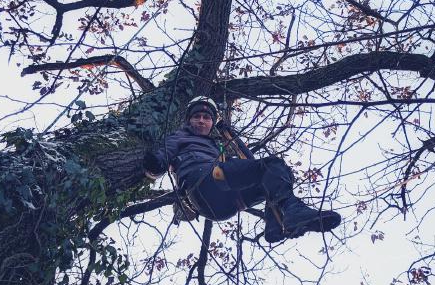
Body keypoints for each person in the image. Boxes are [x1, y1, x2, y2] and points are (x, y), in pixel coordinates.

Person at [143, 96, 341, 243]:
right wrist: (154, 163)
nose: (202, 120)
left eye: (206, 117)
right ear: (189, 120)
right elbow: (163, 157)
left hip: (223, 206)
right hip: (201, 184)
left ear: (212, 123)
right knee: (272, 165)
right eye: (197, 117)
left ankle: (276, 223)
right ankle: (293, 211)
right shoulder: (180, 137)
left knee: (277, 175)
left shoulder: (216, 147)